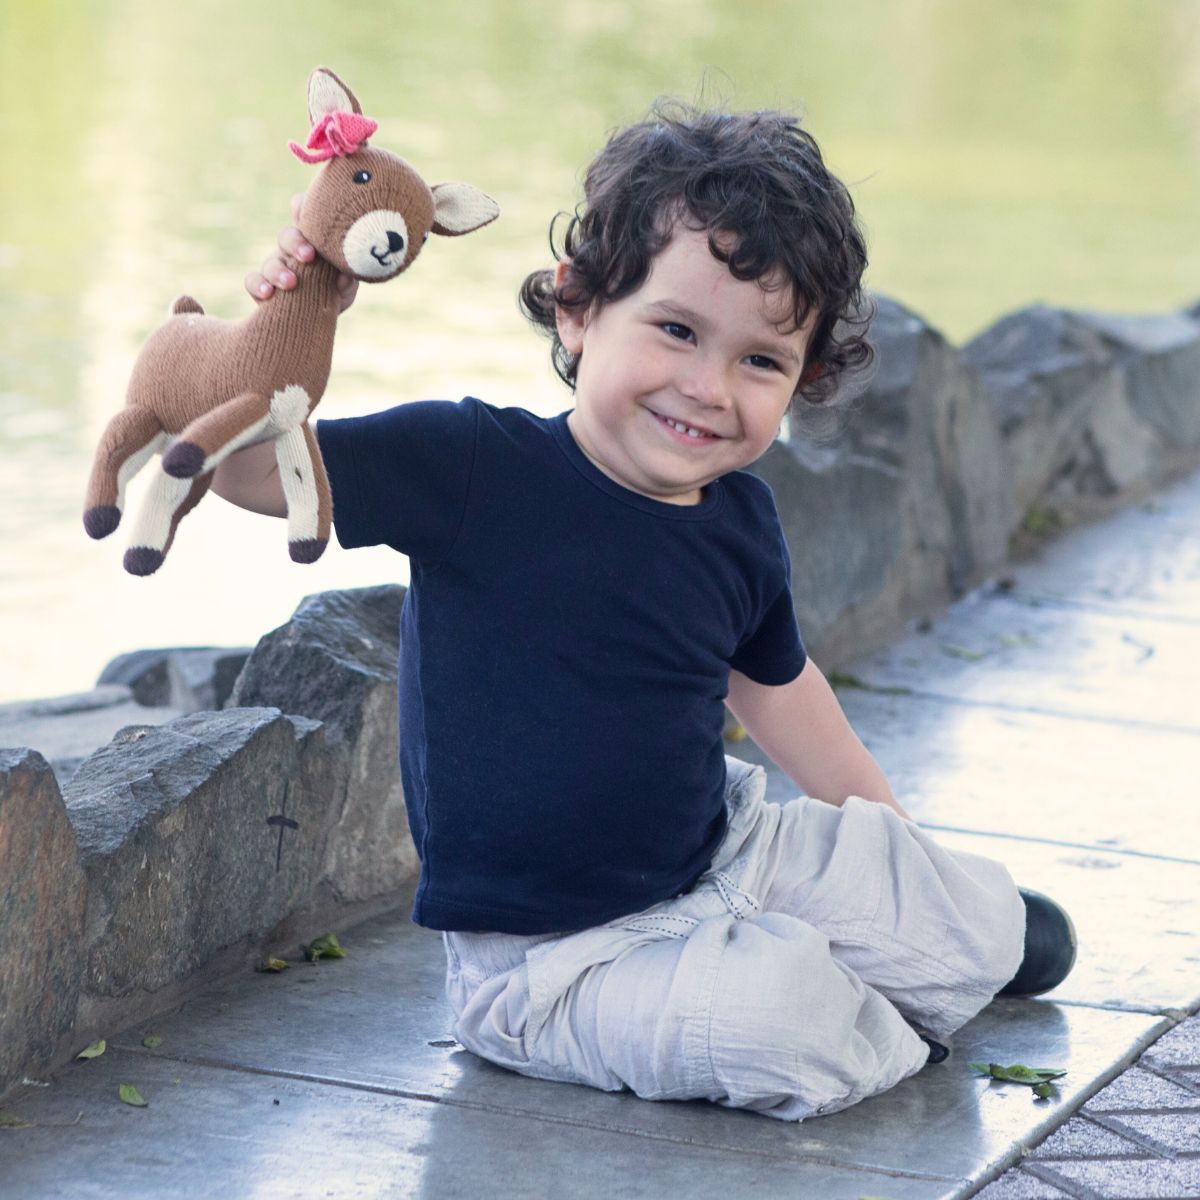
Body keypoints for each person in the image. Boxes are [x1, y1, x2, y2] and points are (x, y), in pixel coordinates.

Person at [220, 102, 1075, 1121]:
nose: (709, 387)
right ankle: (865, 1015)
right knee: (778, 1022)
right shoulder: (470, 467)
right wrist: (287, 318)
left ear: (803, 378)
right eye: (676, 331)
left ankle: (939, 944)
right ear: (577, 309)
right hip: (553, 964)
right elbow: (247, 474)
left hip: (726, 853)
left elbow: (782, 692)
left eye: (761, 360)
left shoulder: (740, 520)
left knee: (952, 910)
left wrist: (897, 858)